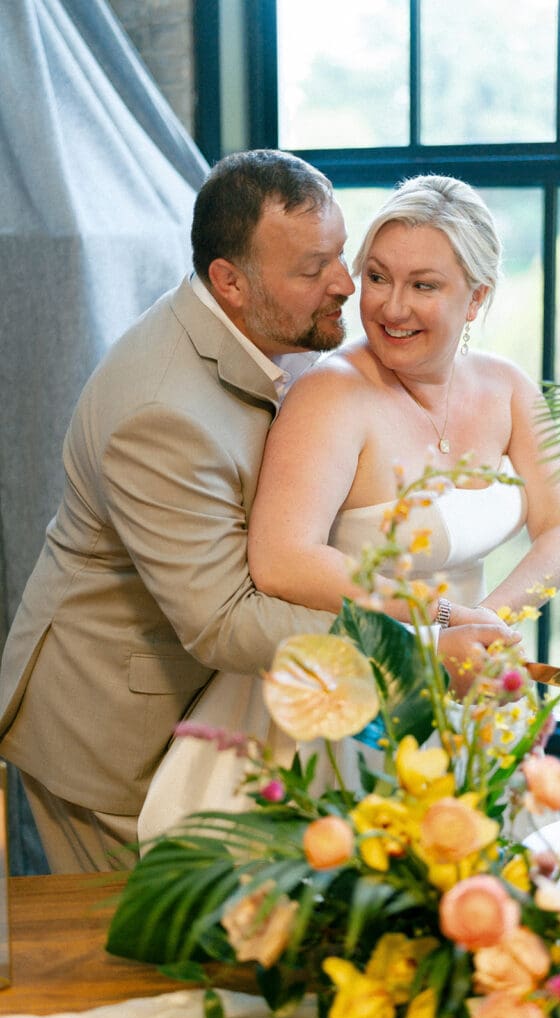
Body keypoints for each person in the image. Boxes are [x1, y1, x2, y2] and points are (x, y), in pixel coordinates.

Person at [0, 152, 513, 873]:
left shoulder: (284, 336)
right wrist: (418, 643)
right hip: (115, 724)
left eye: (340, 256)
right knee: (140, 962)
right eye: (312, 270)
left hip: (230, 703)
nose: (345, 285)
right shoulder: (161, 413)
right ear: (229, 282)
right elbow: (224, 621)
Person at [248, 175, 560, 652]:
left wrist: (488, 624)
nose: (393, 307)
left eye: (423, 285)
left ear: (476, 299)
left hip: (467, 666)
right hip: (353, 680)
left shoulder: (508, 387)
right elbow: (281, 560)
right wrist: (440, 616)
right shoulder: (330, 393)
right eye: (378, 277)